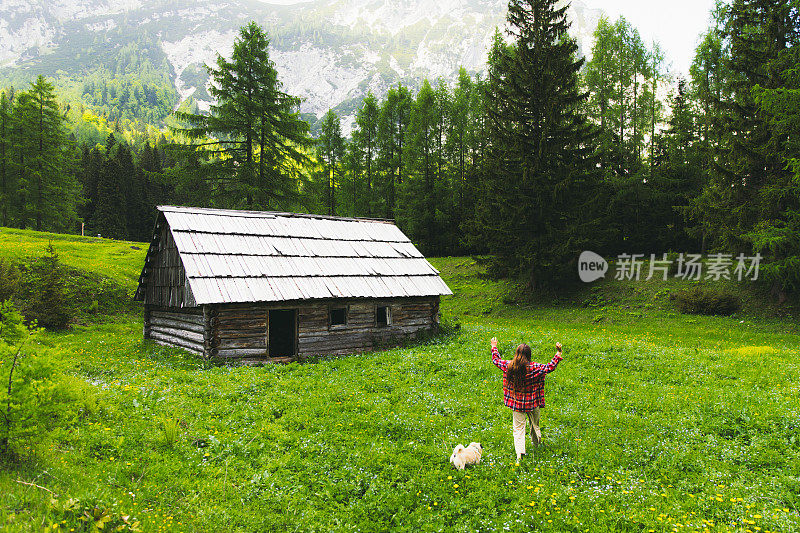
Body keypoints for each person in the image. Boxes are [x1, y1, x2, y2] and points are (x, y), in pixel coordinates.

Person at [490, 337, 563, 460]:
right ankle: (537, 445)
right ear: (529, 355)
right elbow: (550, 367)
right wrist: (558, 352)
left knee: (518, 428)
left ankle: (519, 454)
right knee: (535, 424)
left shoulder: (509, 366)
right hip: (532, 403)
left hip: (517, 404)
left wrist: (494, 346)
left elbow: (496, 360)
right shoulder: (534, 367)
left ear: (517, 354)